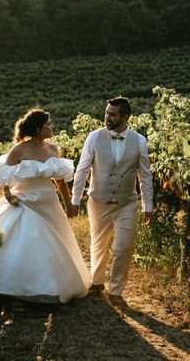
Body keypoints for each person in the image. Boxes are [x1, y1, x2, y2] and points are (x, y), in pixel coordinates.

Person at [0, 108, 90, 303]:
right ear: (37, 129)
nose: (52, 127)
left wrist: (68, 204)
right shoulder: (19, 150)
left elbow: (59, 180)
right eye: (48, 124)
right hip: (24, 200)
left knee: (54, 243)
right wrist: (8, 195)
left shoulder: (53, 149)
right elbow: (4, 176)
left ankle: (50, 285)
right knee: (27, 239)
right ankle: (14, 286)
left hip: (48, 201)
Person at [69, 97, 153, 304]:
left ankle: (116, 291)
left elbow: (145, 175)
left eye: (112, 114)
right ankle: (97, 282)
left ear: (125, 117)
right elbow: (82, 169)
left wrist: (147, 206)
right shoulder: (94, 137)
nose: (106, 117)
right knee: (98, 243)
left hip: (127, 202)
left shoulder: (140, 141)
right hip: (98, 200)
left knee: (123, 246)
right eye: (106, 112)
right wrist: (75, 199)